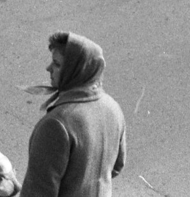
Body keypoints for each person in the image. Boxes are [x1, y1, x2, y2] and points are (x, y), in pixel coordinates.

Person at [18, 32, 127, 197]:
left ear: (73, 70)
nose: (48, 68)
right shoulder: (113, 108)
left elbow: (38, 192)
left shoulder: (56, 124)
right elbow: (117, 166)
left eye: (56, 64)